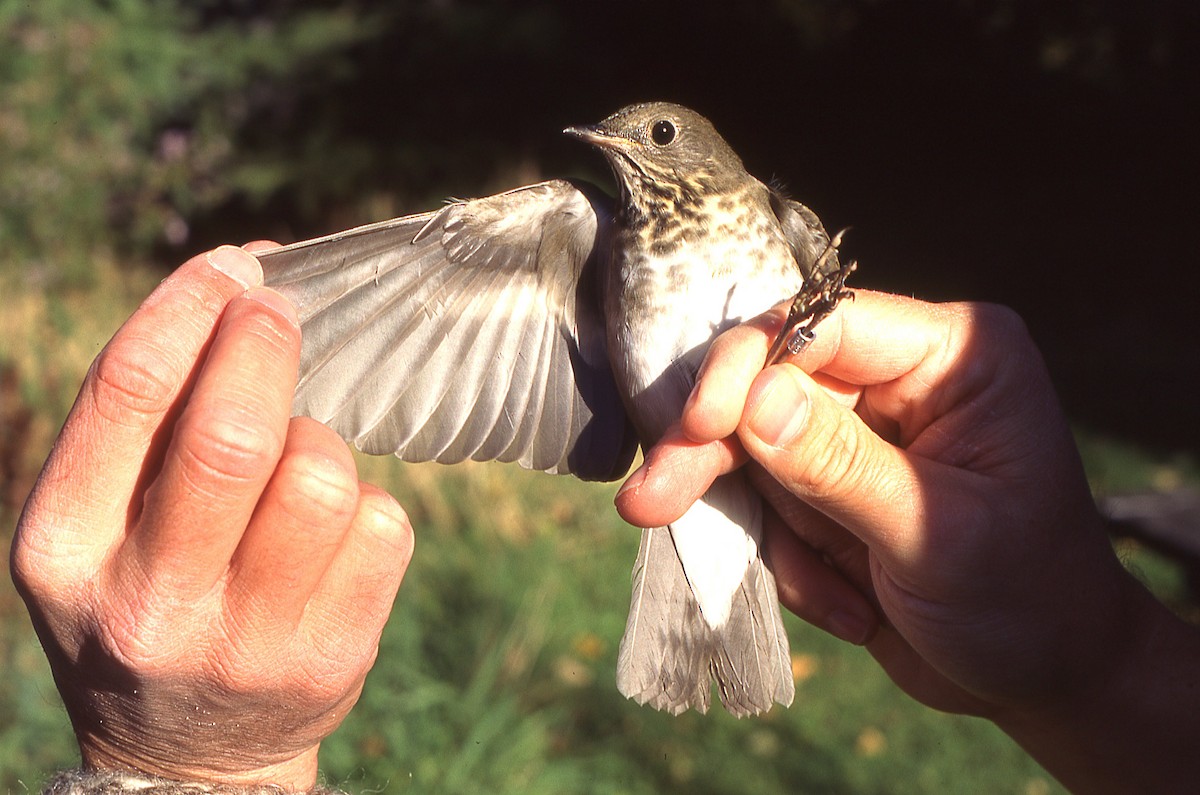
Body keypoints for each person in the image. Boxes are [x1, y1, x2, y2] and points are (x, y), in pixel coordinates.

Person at [10, 245, 1199, 795]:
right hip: (696, 458)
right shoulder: (585, 236)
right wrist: (1093, 666)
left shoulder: (769, 211)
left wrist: (197, 778)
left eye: (660, 135)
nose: (631, 152)